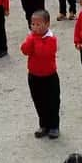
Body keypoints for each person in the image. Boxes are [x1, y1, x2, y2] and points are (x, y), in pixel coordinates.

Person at [21, 10, 60, 140]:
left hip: (49, 76)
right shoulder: (31, 37)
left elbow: (43, 53)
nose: (35, 27)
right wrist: (31, 39)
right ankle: (43, 124)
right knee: (38, 101)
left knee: (52, 102)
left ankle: (54, 126)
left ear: (47, 24)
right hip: (34, 75)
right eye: (33, 24)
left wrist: (34, 39)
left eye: (38, 24)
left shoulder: (51, 39)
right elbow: (25, 50)